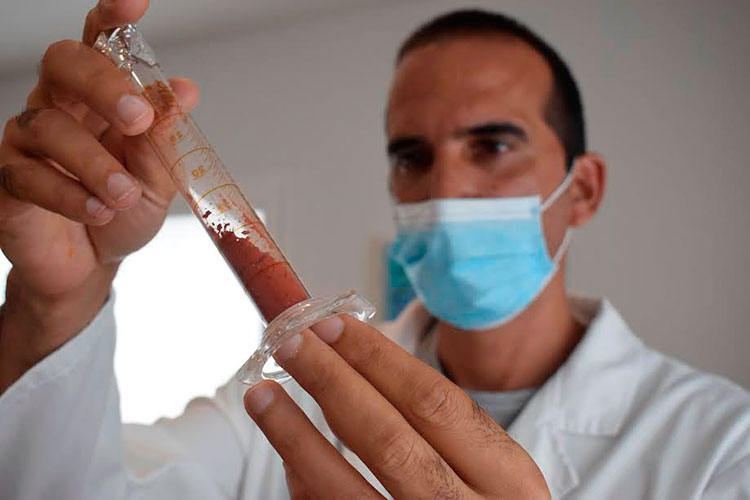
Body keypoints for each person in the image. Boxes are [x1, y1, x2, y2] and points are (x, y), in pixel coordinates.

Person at [0, 1, 747, 498]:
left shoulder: (719, 445)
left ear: (582, 190)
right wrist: (53, 303)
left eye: (492, 145)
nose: (443, 188)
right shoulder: (285, 398)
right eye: (412, 156)